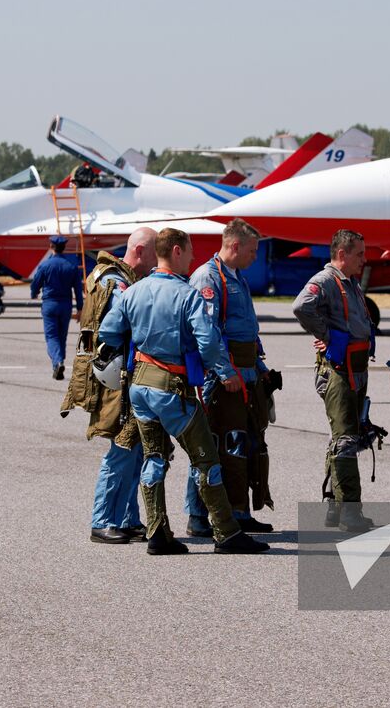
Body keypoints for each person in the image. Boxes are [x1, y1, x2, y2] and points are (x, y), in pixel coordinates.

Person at [97, 228, 268, 555]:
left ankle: (157, 533)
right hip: (173, 389)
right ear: (176, 251)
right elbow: (208, 341)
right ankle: (226, 533)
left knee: (154, 458)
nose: (192, 258)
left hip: (140, 389)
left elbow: (109, 331)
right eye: (189, 252)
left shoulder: (133, 291)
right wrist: (226, 372)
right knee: (207, 459)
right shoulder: (187, 294)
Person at [61, 227, 157, 545]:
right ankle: (102, 520)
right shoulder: (115, 283)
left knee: (136, 448)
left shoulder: (123, 279)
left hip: (126, 374)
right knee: (122, 448)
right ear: (141, 251)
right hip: (118, 379)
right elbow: (120, 327)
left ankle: (127, 518)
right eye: (157, 251)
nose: (160, 259)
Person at [185, 219, 275, 537]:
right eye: (251, 251)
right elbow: (207, 333)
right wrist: (225, 373)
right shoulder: (209, 278)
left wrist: (260, 368)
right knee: (211, 446)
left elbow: (244, 327)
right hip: (223, 379)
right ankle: (197, 515)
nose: (254, 257)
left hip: (245, 375)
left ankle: (239, 511)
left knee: (241, 445)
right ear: (234, 246)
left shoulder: (237, 277)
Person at [292, 230, 376, 533]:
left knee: (345, 437)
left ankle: (335, 506)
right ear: (342, 254)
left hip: (354, 370)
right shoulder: (326, 281)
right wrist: (328, 336)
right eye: (359, 254)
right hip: (339, 371)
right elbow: (302, 307)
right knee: (346, 441)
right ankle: (350, 514)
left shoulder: (348, 283)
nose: (364, 260)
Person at [30, 235, 83, 379]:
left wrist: (34, 293)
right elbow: (78, 290)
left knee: (52, 336)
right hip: (65, 305)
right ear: (64, 248)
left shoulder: (45, 265)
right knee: (62, 336)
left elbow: (36, 283)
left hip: (50, 304)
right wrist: (80, 308)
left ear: (51, 247)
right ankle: (58, 363)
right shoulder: (71, 266)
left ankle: (57, 361)